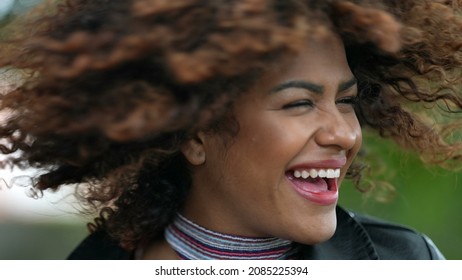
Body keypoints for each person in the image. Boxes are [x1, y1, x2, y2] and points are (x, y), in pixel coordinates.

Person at [0, 0, 460, 260]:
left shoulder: (406, 260)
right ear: (194, 135)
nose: (343, 134)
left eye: (346, 101)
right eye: (299, 103)